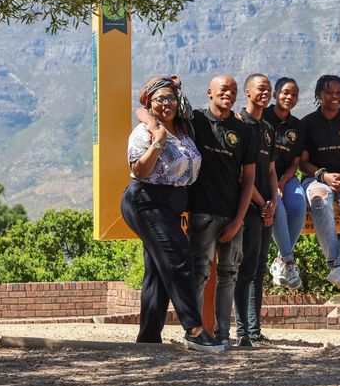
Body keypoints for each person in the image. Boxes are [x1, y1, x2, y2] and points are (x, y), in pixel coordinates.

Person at [120, 76, 218, 352]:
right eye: (159, 99)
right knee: (178, 259)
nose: (166, 103)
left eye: (170, 98)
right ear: (150, 104)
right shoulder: (145, 132)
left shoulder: (185, 130)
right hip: (145, 201)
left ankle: (149, 338)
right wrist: (158, 140)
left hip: (170, 207)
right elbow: (140, 171)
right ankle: (194, 329)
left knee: (157, 270)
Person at [184, 75, 256, 349]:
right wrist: (175, 87)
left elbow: (248, 178)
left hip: (232, 215)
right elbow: (166, 110)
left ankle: (223, 334)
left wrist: (238, 221)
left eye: (234, 90)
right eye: (223, 89)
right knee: (199, 272)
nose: (229, 93)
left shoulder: (245, 132)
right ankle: (195, 332)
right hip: (202, 213)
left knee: (229, 275)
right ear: (210, 92)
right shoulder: (197, 122)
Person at [300, 74, 340, 291]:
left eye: (339, 93)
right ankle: (335, 264)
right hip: (317, 178)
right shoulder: (308, 123)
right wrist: (324, 176)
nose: (335, 97)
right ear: (319, 94)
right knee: (319, 202)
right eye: (329, 92)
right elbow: (303, 162)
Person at [235, 73, 281, 348]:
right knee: (245, 269)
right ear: (248, 92)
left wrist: (273, 202)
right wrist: (262, 203)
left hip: (266, 208)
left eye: (269, 90)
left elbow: (272, 170)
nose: (266, 93)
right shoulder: (239, 125)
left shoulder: (268, 129)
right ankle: (242, 331)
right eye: (261, 89)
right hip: (248, 207)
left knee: (260, 269)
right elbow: (243, 174)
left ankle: (254, 329)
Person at [264, 77, 305, 290]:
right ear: (275, 94)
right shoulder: (263, 118)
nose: (290, 97)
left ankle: (280, 260)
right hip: (264, 178)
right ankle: (289, 262)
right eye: (285, 93)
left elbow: (296, 161)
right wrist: (274, 186)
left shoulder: (297, 126)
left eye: (294, 94)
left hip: (287, 178)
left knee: (298, 206)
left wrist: (283, 181)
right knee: (277, 208)